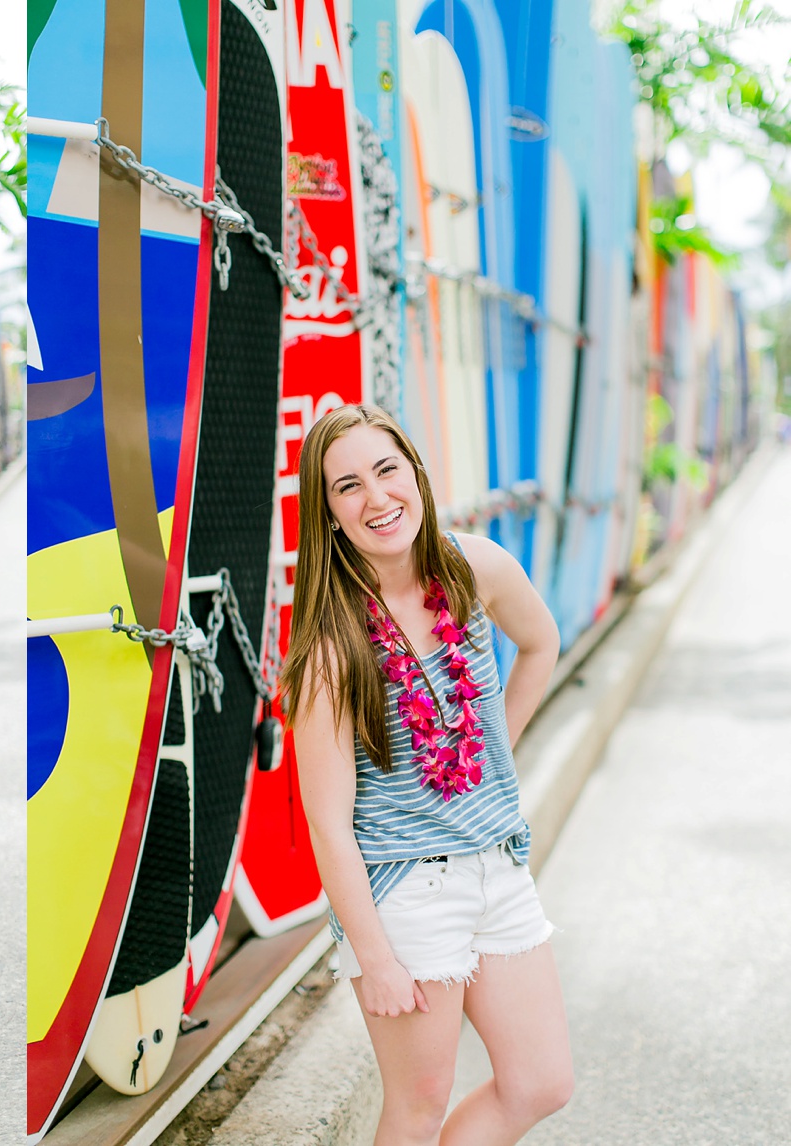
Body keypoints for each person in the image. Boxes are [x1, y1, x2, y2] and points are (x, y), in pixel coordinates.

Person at [284, 405, 572, 1145]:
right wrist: (374, 957)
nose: (376, 498)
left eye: (386, 470)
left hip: (498, 865)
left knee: (541, 1083)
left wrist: (496, 750)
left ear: (414, 471)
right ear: (330, 516)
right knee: (418, 1106)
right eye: (348, 486)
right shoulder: (332, 645)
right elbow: (328, 822)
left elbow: (541, 643)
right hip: (406, 891)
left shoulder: (473, 568)